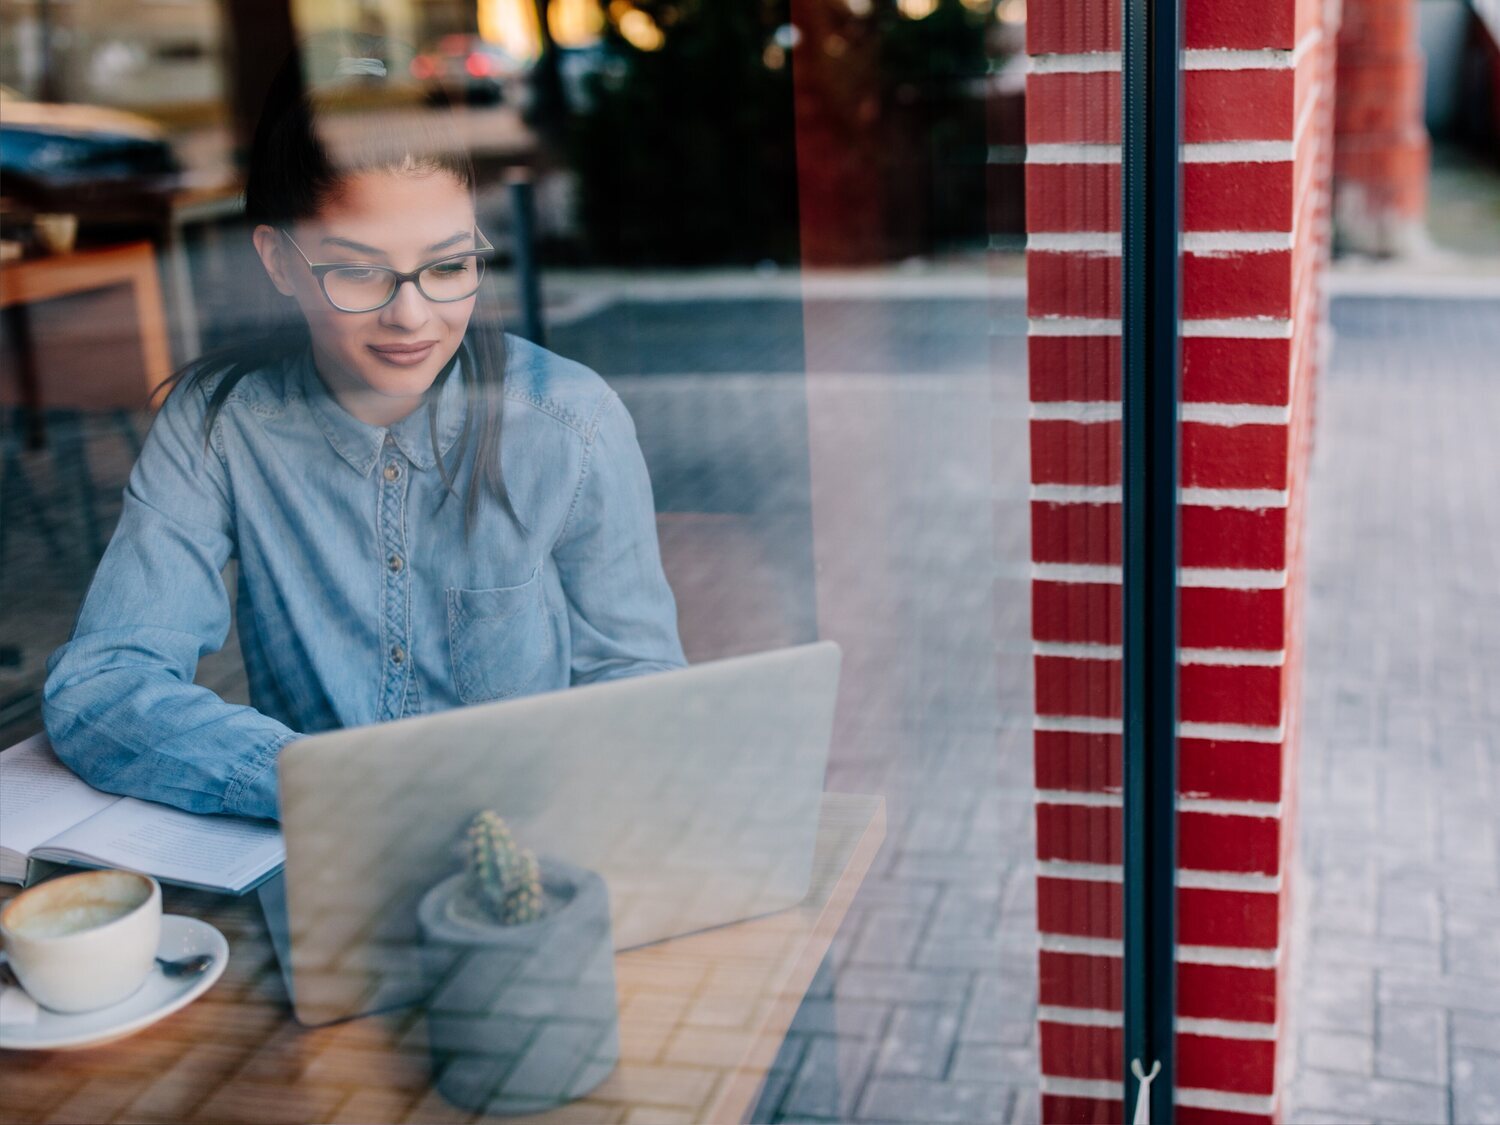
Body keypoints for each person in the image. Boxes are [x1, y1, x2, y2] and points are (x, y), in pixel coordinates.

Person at [41, 38, 685, 822]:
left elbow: (643, 686)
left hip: (527, 862)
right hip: (326, 859)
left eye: (450, 267)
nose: (410, 315)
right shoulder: (221, 426)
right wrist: (321, 782)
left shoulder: (570, 423)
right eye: (360, 271)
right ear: (279, 263)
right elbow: (104, 685)